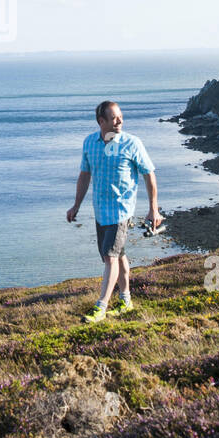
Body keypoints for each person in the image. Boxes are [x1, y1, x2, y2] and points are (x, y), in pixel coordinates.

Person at [67, 100, 162, 323]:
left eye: (120, 116)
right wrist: (76, 205)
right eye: (114, 118)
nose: (119, 121)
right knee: (117, 256)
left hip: (121, 211)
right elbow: (84, 175)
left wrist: (153, 209)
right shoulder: (89, 143)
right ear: (102, 121)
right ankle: (126, 301)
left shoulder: (132, 143)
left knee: (110, 256)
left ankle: (101, 307)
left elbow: (149, 174)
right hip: (100, 211)